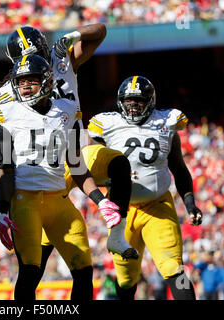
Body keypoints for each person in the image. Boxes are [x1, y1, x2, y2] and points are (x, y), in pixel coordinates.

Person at [0, 24, 137, 285]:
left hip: (75, 154)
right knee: (35, 265)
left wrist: (72, 36)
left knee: (118, 163)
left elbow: (100, 31)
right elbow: (5, 143)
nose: (31, 65)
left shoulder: (62, 60)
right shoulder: (10, 91)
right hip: (42, 167)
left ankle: (117, 234)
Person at [87, 75, 203, 300]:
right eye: (129, 102)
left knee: (173, 267)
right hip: (122, 211)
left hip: (157, 207)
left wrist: (190, 204)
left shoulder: (166, 123)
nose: (133, 107)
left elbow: (179, 168)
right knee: (126, 279)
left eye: (138, 101)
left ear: (150, 101)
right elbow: (94, 167)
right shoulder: (106, 125)